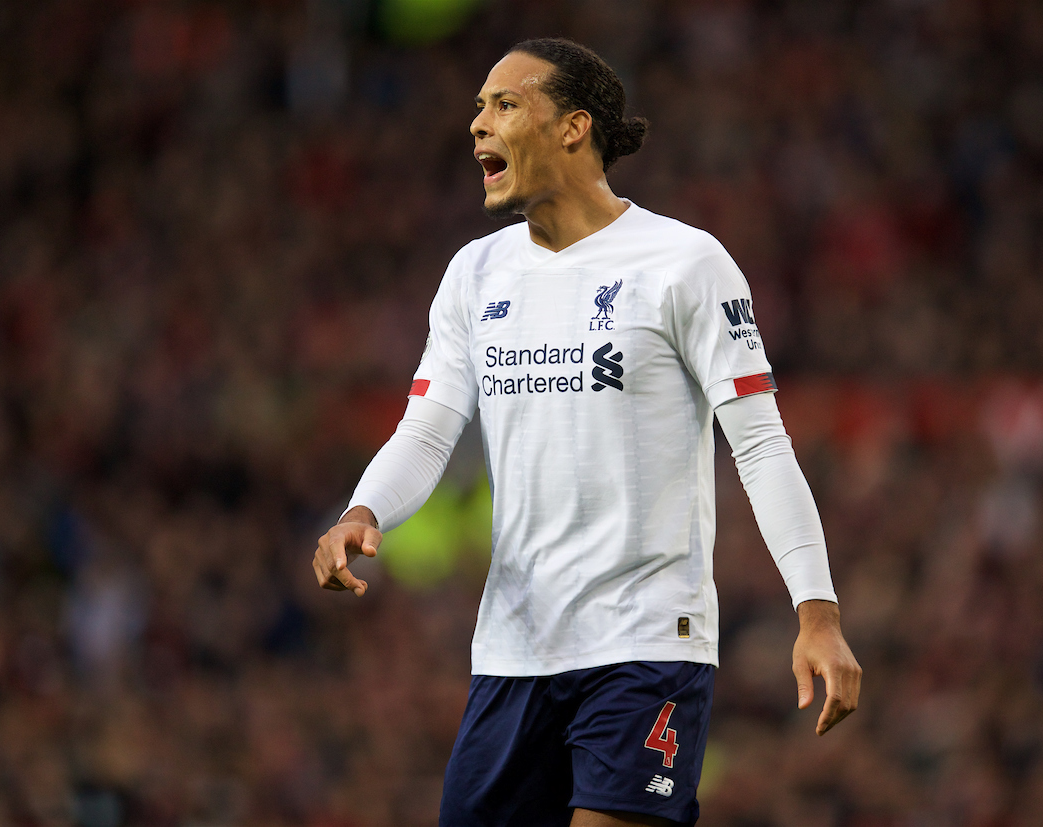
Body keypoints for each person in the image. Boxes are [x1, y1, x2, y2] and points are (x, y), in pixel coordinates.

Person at [313, 37, 862, 827]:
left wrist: (818, 611)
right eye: (476, 108)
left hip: (645, 644)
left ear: (573, 127)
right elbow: (429, 428)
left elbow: (762, 443)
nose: (477, 125)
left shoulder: (684, 264)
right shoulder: (475, 274)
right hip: (512, 651)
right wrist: (363, 511)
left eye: (504, 104)